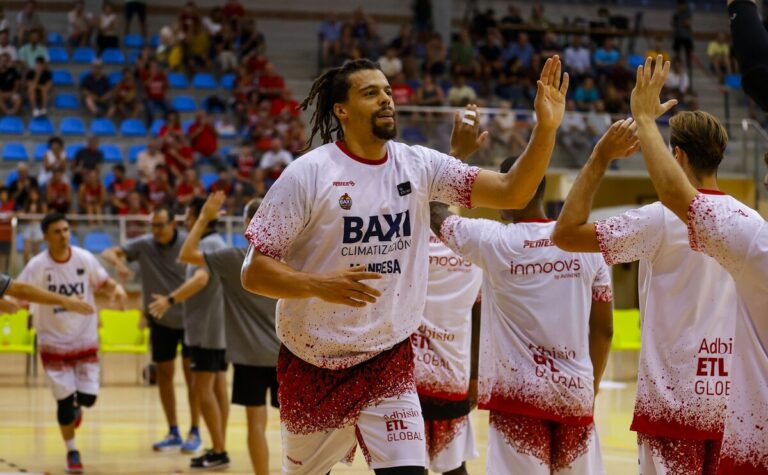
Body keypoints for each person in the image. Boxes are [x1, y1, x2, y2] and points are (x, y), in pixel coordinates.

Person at [240, 56, 569, 474]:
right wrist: (317, 285)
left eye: (387, 92)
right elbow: (253, 271)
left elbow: (512, 191)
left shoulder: (418, 165)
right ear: (341, 110)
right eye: (370, 93)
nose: (386, 100)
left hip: (386, 360)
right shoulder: (307, 175)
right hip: (312, 362)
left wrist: (546, 128)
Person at [553, 55, 763, 475]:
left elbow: (565, 233)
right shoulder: (753, 224)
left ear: (677, 155)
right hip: (736, 408)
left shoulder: (659, 220)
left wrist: (600, 158)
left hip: (672, 408)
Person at [429, 152, 616, 474]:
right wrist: (590, 388)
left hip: (517, 400)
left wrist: (455, 155)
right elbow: (604, 330)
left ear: (508, 189)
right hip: (575, 394)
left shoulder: (493, 240)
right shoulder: (584, 244)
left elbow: (436, 213)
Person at [179, 192, 280, 475]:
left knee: (255, 424)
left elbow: (186, 254)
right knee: (294, 427)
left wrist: (203, 219)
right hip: (286, 355)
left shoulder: (233, 258)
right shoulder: (290, 258)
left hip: (250, 358)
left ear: (247, 224)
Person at [16, 212, 126, 474]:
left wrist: (116, 290)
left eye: (66, 230)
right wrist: (10, 306)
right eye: (57, 231)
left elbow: (104, 282)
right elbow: (19, 293)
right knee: (65, 405)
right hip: (52, 342)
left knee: (87, 399)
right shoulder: (36, 266)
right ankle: (72, 451)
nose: (63, 235)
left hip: (85, 338)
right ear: (45, 237)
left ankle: (77, 407)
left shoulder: (84, 258)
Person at [101, 207, 202, 454]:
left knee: (193, 379)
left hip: (190, 319)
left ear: (173, 225)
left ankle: (195, 431)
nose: (155, 231)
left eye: (160, 225)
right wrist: (119, 264)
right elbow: (108, 252)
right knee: (164, 376)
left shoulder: (188, 245)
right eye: (153, 226)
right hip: (161, 320)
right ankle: (173, 430)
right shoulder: (145, 244)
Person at [149, 197, 229, 470]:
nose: (184, 220)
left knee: (203, 389)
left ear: (198, 218)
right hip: (213, 328)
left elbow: (200, 279)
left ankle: (218, 450)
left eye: (188, 216)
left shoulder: (207, 245)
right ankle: (219, 445)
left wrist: (169, 300)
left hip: (205, 329)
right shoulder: (215, 243)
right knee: (217, 388)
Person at [412, 231, 482, 475]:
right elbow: (479, 314)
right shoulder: (473, 240)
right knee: (454, 467)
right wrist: (475, 375)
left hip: (405, 373)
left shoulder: (404, 230)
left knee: (408, 464)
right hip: (452, 374)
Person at [0, 271, 93, 317]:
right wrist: (65, 301)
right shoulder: (37, 264)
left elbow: (20, 290)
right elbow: (21, 290)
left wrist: (64, 301)